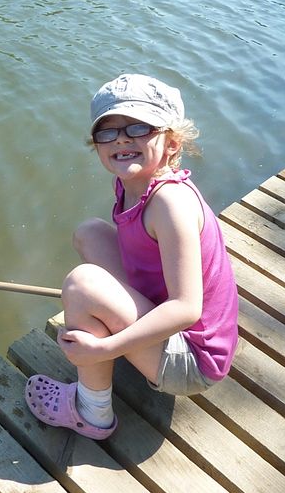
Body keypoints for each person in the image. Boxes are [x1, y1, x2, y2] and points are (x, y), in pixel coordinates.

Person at [24, 74, 239, 440]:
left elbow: (187, 309)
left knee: (82, 284)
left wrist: (104, 348)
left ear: (172, 142)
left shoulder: (170, 203)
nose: (122, 138)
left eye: (139, 128)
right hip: (168, 322)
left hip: (194, 362)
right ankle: (116, 330)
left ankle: (92, 412)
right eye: (108, 132)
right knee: (89, 232)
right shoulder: (128, 184)